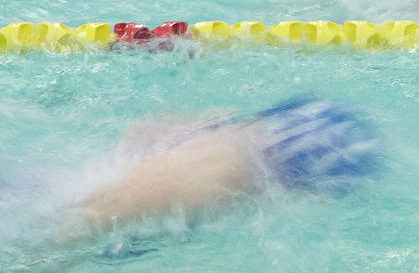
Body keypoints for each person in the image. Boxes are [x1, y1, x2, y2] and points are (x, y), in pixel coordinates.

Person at [62, 96, 379, 234]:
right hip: (65, 210)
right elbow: (83, 220)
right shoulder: (216, 173)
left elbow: (139, 132)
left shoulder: (225, 133)